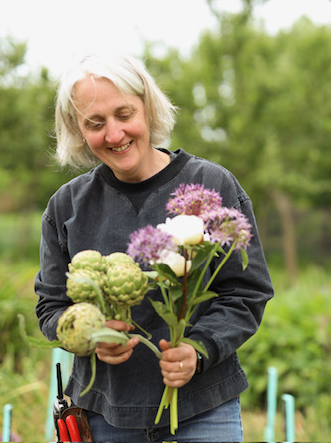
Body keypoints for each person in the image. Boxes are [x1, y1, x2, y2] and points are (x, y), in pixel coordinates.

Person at [34, 53, 274, 442]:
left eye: (124, 114)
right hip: (103, 415)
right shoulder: (67, 206)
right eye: (95, 124)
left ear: (147, 107)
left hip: (203, 410)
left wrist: (200, 349)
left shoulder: (210, 186)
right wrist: (92, 337)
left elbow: (247, 291)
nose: (114, 135)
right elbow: (51, 307)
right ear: (78, 132)